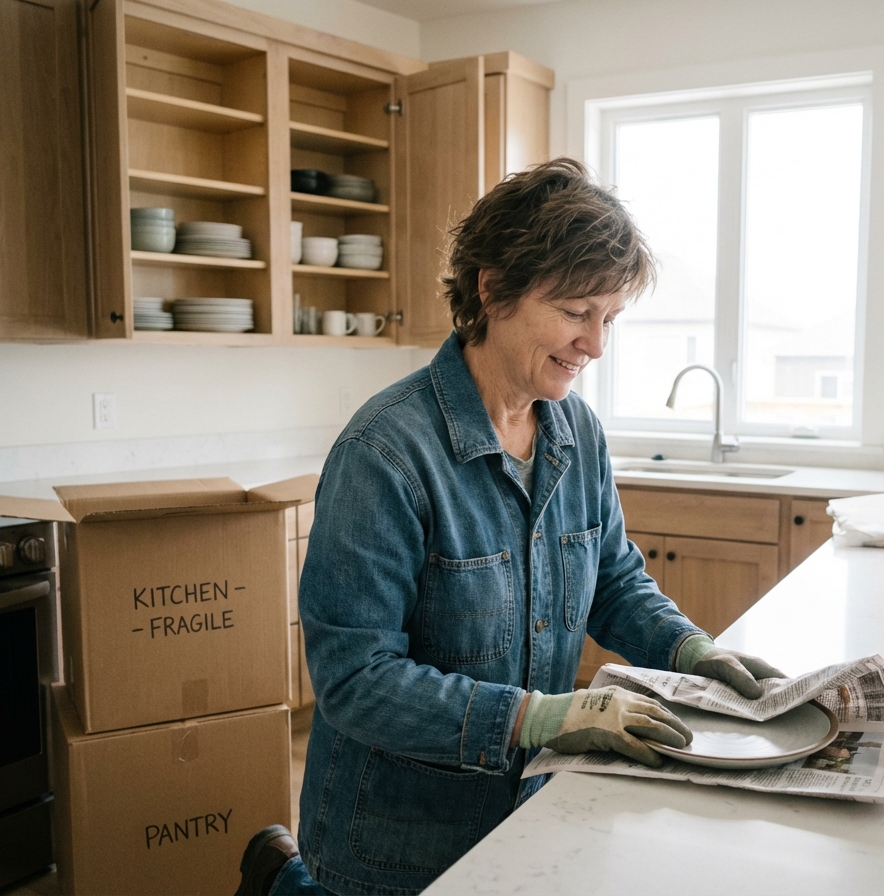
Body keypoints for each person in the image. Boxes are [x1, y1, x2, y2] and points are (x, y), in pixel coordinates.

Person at [236, 158, 785, 896]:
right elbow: (354, 681)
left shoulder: (576, 431)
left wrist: (690, 649)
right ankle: (282, 878)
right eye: (575, 311)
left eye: (610, 318)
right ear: (492, 289)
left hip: (526, 806)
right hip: (393, 840)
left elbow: (613, 580)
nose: (595, 344)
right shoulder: (385, 454)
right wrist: (541, 716)